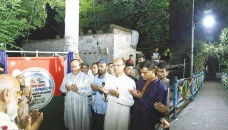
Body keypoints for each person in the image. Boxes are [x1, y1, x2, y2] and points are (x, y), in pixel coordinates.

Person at [130, 60, 168, 130]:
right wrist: (134, 95)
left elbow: (158, 108)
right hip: (136, 119)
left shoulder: (161, 87)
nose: (142, 75)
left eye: (145, 73)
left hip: (149, 122)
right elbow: (136, 100)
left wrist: (141, 97)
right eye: (141, 72)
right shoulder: (140, 80)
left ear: (153, 71)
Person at [60, 59, 93, 130]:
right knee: (71, 126)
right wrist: (67, 89)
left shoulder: (85, 77)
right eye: (71, 67)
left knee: (81, 126)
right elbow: (61, 88)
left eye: (74, 66)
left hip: (81, 107)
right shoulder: (67, 76)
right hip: (70, 106)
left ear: (80, 66)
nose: (72, 68)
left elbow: (90, 92)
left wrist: (78, 90)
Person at [103, 58, 135, 130]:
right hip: (110, 112)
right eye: (114, 65)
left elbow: (131, 102)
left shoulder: (130, 81)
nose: (115, 67)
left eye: (118, 65)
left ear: (124, 66)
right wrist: (105, 94)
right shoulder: (109, 79)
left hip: (122, 113)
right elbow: (106, 98)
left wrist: (118, 95)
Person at [91, 59, 111, 130]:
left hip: (105, 109)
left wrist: (102, 90)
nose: (99, 68)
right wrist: (93, 88)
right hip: (96, 108)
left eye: (101, 66)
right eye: (98, 66)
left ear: (107, 67)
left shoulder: (110, 78)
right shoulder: (96, 77)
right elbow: (93, 93)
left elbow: (110, 95)